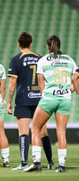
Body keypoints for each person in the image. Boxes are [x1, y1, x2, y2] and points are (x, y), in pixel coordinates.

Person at [24, 35, 77, 173]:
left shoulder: (42, 61)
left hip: (49, 98)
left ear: (48, 47)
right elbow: (75, 78)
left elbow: (41, 84)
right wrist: (71, 89)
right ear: (59, 46)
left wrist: (46, 98)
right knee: (61, 133)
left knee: (35, 128)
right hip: (65, 99)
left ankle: (36, 162)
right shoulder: (69, 60)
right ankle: (61, 166)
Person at [7, 32, 54, 170]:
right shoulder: (39, 58)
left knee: (23, 132)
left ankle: (23, 163)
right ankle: (50, 162)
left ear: (19, 44)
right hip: (40, 99)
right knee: (43, 131)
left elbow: (12, 83)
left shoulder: (16, 59)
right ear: (31, 43)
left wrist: (9, 101)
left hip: (23, 98)